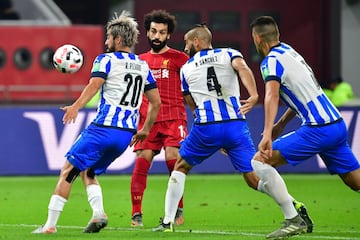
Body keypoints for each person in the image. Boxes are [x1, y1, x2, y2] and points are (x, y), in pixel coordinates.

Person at [152, 24, 312, 239]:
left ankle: (168, 221)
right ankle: (291, 205)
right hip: (235, 126)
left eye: (188, 42)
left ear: (197, 42)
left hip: (206, 128)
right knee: (253, 176)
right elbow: (243, 69)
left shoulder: (187, 68)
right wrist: (254, 95)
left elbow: (190, 102)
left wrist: (205, 129)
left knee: (180, 167)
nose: (186, 46)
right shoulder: (229, 53)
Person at [32, 11, 161, 234]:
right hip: (125, 135)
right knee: (88, 171)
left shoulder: (105, 60)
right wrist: (145, 129)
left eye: (109, 37)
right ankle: (98, 213)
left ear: (118, 40)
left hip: (103, 129)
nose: (106, 41)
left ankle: (50, 226)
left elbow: (94, 85)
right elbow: (156, 102)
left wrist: (75, 107)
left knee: (67, 170)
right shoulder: (142, 66)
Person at [250, 16, 360, 239]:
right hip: (337, 125)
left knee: (259, 161)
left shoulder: (270, 61)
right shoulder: (291, 53)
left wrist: (267, 133)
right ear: (277, 36)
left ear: (258, 38)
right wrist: (281, 124)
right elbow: (305, 91)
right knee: (355, 182)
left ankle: (293, 219)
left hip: (318, 129)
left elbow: (271, 95)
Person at [130, 9, 189, 227]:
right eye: (153, 31)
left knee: (174, 158)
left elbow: (192, 86)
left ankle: (177, 209)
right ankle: (136, 213)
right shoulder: (139, 61)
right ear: (147, 32)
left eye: (162, 32)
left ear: (168, 35)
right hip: (148, 122)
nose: (157, 36)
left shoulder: (180, 59)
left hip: (174, 118)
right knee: (142, 161)